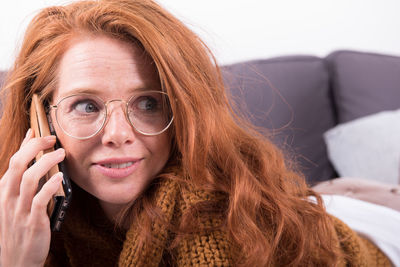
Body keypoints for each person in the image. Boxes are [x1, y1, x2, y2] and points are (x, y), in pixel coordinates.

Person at [0, 0, 392, 266]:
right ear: (40, 119)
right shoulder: (30, 216)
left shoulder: (208, 227)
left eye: (149, 104)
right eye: (86, 105)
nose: (118, 134)